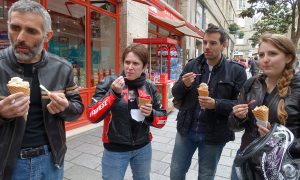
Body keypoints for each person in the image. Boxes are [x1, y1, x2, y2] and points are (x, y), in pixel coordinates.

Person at [0, 1, 84, 179]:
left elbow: (77, 109)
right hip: (7, 161)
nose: (20, 37)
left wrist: (65, 107)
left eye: (31, 31)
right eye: (15, 28)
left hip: (51, 160)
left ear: (48, 36)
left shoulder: (63, 68)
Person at [170, 23, 247, 180]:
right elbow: (175, 93)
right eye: (205, 42)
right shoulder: (192, 65)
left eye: (213, 43)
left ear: (223, 45)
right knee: (176, 171)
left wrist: (216, 104)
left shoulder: (236, 71)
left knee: (206, 175)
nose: (207, 47)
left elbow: (240, 106)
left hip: (214, 134)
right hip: (187, 129)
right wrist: (183, 85)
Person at [87, 44, 167, 180]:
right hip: (115, 149)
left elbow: (162, 120)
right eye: (127, 62)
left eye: (135, 63)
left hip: (143, 147)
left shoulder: (150, 86)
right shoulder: (109, 82)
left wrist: (151, 114)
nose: (130, 67)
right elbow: (92, 116)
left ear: (144, 66)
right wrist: (112, 94)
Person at [228, 34, 300, 179]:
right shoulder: (252, 84)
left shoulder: (297, 89)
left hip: (278, 170)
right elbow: (234, 126)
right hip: (245, 161)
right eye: (261, 54)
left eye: (272, 53)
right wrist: (237, 116)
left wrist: (274, 140)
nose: (265, 59)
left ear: (288, 58)